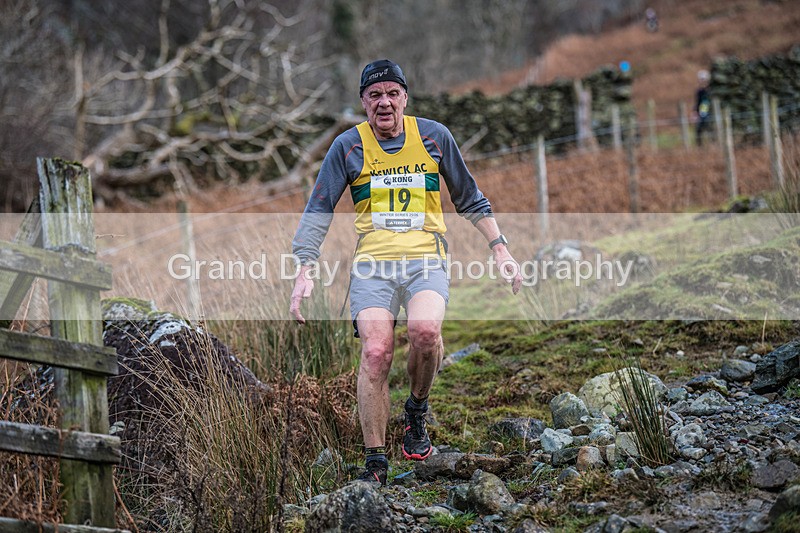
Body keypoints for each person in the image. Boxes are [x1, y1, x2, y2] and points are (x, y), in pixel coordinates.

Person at [289, 59, 523, 487]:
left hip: (425, 258)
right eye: (375, 95)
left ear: (405, 98)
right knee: (376, 352)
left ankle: (415, 410)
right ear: (363, 102)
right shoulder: (348, 146)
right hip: (373, 264)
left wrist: (500, 248)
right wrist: (305, 268)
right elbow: (318, 209)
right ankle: (375, 461)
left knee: (425, 332)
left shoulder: (434, 137)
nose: (384, 103)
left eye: (392, 94)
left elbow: (470, 197)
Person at [695, 70, 712, 146]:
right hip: (702, 113)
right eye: (700, 79)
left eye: (703, 79)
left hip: (710, 112)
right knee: (699, 129)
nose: (702, 81)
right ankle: (700, 145)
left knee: (710, 128)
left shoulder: (711, 91)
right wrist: (695, 111)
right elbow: (698, 102)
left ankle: (712, 143)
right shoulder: (699, 92)